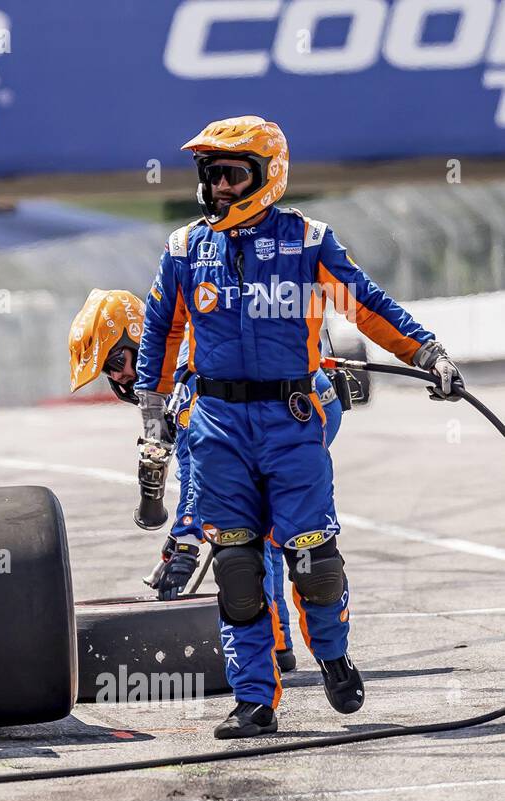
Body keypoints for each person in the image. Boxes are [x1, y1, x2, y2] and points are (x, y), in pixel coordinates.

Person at [134, 116, 462, 739]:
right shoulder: (183, 249)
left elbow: (367, 304)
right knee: (236, 569)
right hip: (216, 427)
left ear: (268, 175)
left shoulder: (310, 241)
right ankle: (255, 700)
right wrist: (153, 417)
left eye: (232, 174)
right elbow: (160, 333)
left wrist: (427, 354)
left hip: (291, 422)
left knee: (313, 562)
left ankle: (333, 656)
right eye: (210, 175)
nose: (219, 188)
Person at [69, 288, 346, 673]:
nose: (118, 376)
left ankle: (291, 648)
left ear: (136, 336)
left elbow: (200, 466)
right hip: (275, 409)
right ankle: (277, 646)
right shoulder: (159, 364)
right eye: (109, 369)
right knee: (253, 527)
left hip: (302, 407)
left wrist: (185, 543)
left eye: (117, 359)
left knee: (252, 527)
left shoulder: (180, 367)